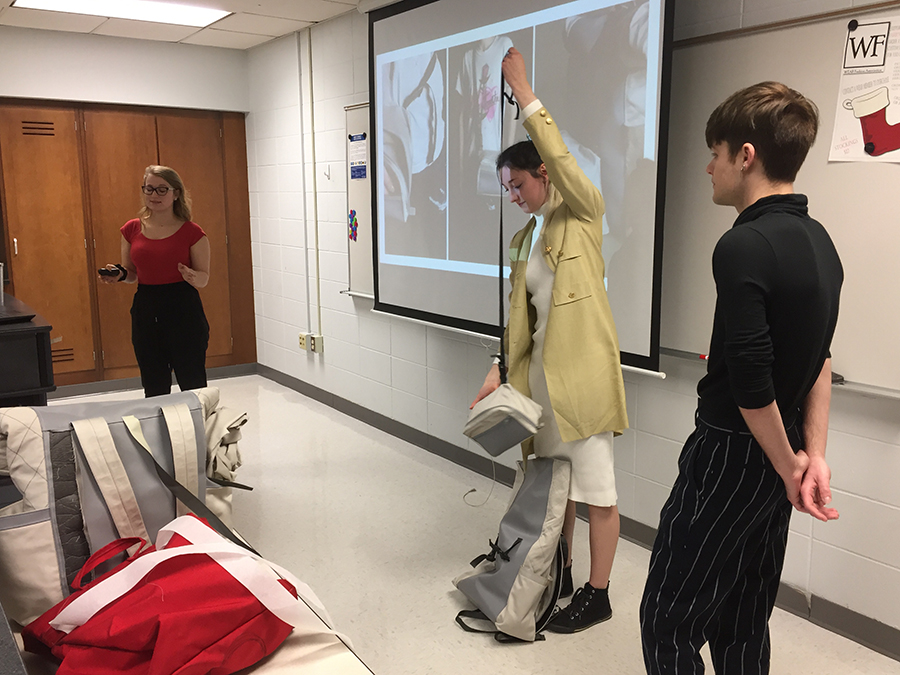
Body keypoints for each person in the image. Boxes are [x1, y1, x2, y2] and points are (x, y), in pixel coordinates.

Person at [639, 82, 843, 674]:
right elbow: (820, 360)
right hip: (784, 451)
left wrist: (790, 467)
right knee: (743, 615)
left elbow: (752, 383)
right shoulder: (820, 241)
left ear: (746, 156)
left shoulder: (742, 245)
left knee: (668, 617)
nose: (709, 167)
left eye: (716, 152)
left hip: (734, 451)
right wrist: (812, 458)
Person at [471, 47, 629, 634]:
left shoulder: (582, 215)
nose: (513, 195)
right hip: (539, 388)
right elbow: (523, 323)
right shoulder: (525, 239)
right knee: (554, 491)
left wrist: (526, 93)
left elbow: (562, 159)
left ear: (544, 175)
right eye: (506, 188)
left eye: (518, 184)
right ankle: (553, 573)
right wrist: (498, 368)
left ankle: (598, 592)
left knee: (598, 493)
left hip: (580, 386)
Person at [99, 165, 210, 398]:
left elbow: (203, 278)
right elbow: (132, 273)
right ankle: (159, 432)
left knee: (192, 382)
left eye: (162, 190)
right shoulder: (132, 229)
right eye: (149, 189)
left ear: (176, 193)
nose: (154, 196)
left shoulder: (192, 231)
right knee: (154, 383)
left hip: (183, 306)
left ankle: (198, 430)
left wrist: (191, 276)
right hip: (146, 307)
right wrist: (119, 275)